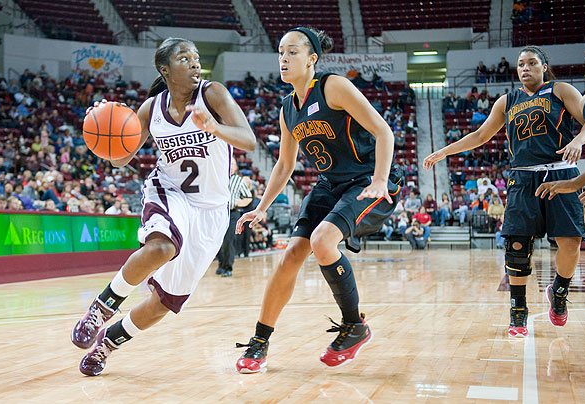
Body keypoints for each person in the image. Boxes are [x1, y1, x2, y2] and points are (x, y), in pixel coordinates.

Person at [70, 37, 256, 376]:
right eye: (185, 58)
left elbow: (249, 139)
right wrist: (98, 129)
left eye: (197, 57)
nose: (195, 63)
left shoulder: (213, 94)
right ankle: (99, 309)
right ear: (165, 69)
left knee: (165, 302)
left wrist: (214, 127)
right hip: (169, 191)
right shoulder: (150, 109)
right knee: (161, 247)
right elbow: (120, 159)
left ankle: (106, 346)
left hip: (212, 212)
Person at [234, 27, 402, 373]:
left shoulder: (332, 86)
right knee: (291, 255)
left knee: (323, 240)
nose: (284, 58)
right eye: (281, 52)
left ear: (312, 59)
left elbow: (383, 130)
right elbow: (285, 164)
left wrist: (380, 180)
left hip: (368, 182)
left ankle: (354, 325)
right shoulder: (286, 109)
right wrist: (261, 208)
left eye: (292, 52)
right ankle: (260, 341)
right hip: (330, 185)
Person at [424, 45, 585, 338]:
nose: (525, 68)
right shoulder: (506, 101)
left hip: (561, 171)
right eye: (520, 64)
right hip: (522, 179)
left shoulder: (561, 90)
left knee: (570, 241)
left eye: (531, 63)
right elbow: (479, 136)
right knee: (516, 248)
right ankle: (518, 311)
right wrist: (443, 152)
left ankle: (560, 292)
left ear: (544, 65)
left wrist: (579, 139)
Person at [215, 159, 252, 277]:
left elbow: (248, 197)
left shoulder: (239, 181)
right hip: (219, 213)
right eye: (229, 163)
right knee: (217, 241)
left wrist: (237, 203)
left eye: (233, 164)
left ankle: (228, 267)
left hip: (233, 213)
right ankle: (221, 263)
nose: (230, 166)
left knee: (228, 240)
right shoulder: (218, 178)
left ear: (236, 167)